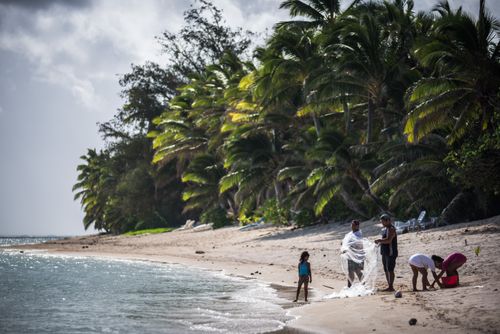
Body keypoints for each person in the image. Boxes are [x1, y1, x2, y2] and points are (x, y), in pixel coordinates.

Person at [375, 214, 398, 291]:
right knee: (386, 269)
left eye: (383, 222)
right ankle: (389, 285)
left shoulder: (391, 229)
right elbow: (384, 240)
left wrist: (379, 240)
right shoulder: (385, 229)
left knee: (390, 269)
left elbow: (389, 240)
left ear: (387, 220)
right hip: (384, 252)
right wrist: (380, 242)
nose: (382, 224)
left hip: (391, 252)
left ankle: (391, 286)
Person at [342, 220, 364, 287]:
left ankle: (364, 284)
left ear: (357, 226)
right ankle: (349, 286)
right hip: (350, 256)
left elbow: (357, 244)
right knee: (350, 271)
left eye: (353, 225)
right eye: (352, 224)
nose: (352, 226)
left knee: (358, 271)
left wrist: (348, 247)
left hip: (356, 255)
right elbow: (346, 242)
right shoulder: (350, 234)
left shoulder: (358, 234)